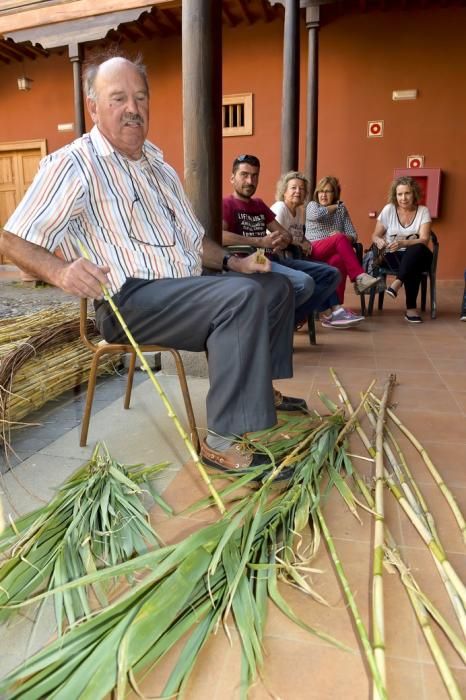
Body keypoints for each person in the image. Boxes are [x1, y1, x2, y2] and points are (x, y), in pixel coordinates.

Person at [0, 54, 303, 478]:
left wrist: (234, 262)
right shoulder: (75, 164)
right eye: (118, 98)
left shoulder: (159, 167)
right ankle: (223, 441)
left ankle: (258, 391)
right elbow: (12, 239)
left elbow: (195, 240)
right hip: (128, 301)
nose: (132, 108)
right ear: (94, 107)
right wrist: (60, 272)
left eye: (140, 97)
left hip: (184, 289)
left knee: (276, 288)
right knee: (239, 300)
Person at [222, 156, 353, 330]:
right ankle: (278, 324)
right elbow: (221, 236)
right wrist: (260, 241)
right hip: (249, 263)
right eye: (244, 175)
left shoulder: (259, 205)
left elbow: (284, 233)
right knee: (305, 283)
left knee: (332, 274)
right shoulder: (226, 204)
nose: (250, 180)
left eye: (254, 176)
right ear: (232, 178)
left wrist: (283, 239)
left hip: (273, 259)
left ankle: (284, 322)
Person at [271, 171, 364, 329]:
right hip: (282, 259)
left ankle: (334, 310)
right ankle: (321, 311)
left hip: (298, 256)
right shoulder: (282, 208)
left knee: (333, 267)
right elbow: (274, 239)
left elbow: (299, 236)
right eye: (293, 188)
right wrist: (300, 244)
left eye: (301, 189)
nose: (298, 192)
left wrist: (303, 242)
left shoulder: (298, 212)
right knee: (338, 242)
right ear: (284, 191)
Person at [305, 176, 380, 323]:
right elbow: (315, 216)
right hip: (314, 250)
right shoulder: (313, 206)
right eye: (321, 191)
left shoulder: (342, 210)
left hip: (334, 252)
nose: (323, 195)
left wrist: (344, 236)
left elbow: (353, 235)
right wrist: (334, 208)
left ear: (335, 194)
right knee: (339, 238)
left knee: (339, 260)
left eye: (328, 191)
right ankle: (359, 277)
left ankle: (336, 310)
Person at [371, 176, 433, 323]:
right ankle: (411, 309)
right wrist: (379, 241)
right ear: (395, 195)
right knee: (413, 264)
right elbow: (375, 235)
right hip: (393, 257)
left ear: (414, 194)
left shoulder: (423, 211)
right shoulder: (389, 209)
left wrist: (404, 243)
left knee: (417, 248)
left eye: (407, 193)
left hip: (419, 255)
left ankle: (397, 282)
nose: (403, 198)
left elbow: (425, 239)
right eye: (400, 194)